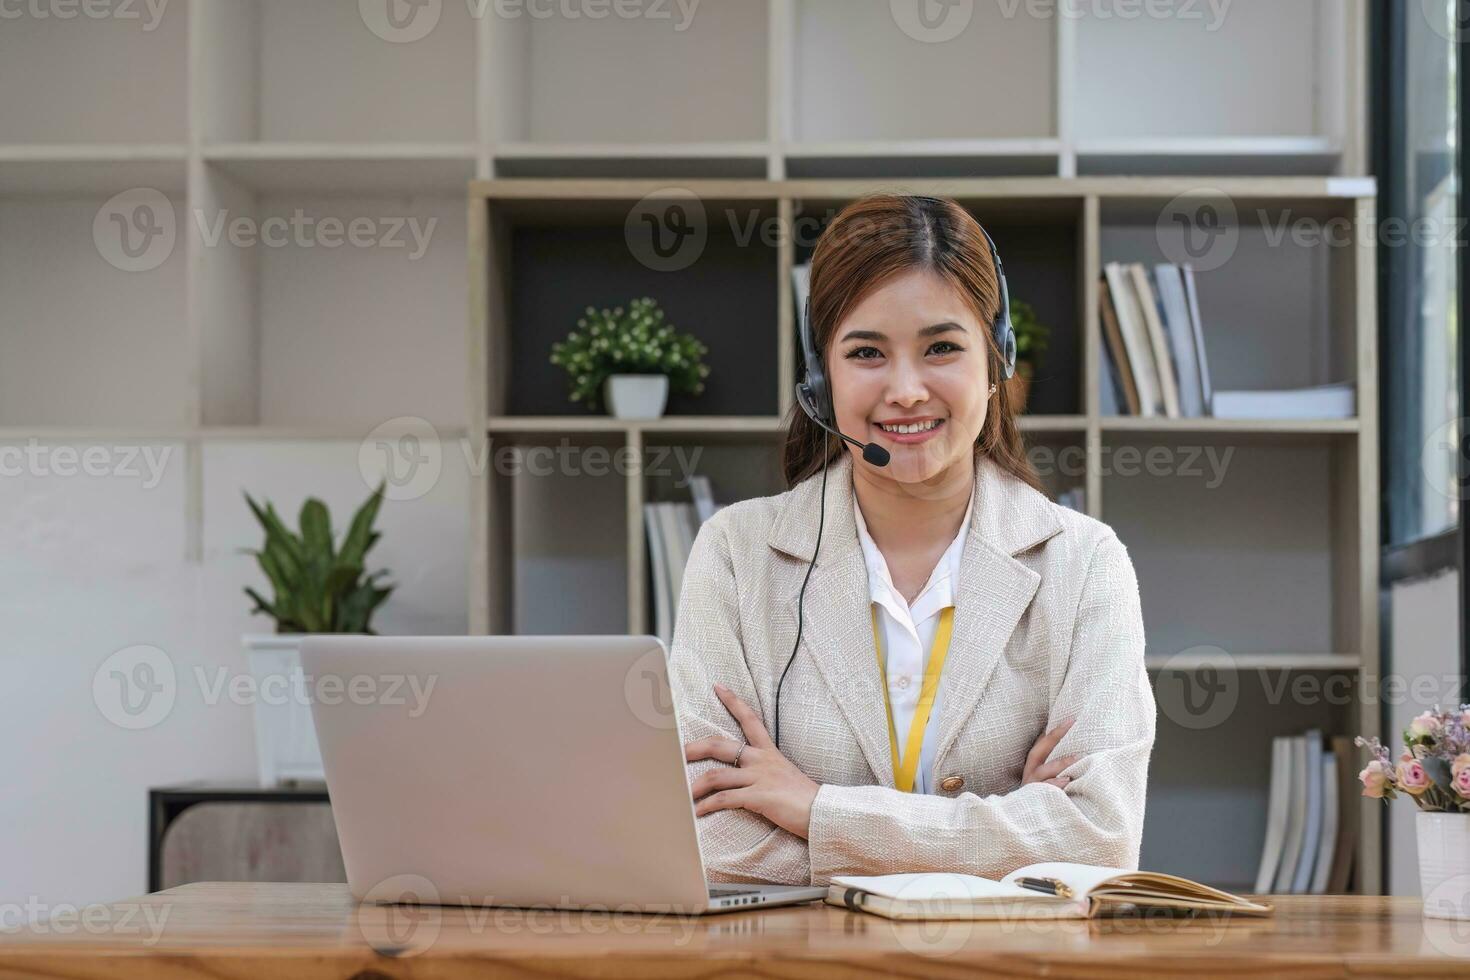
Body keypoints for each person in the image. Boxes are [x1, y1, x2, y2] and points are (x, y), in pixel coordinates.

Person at [667, 194, 1156, 886]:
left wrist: (816, 810)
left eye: (942, 349)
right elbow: (712, 841)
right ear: (819, 377)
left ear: (996, 362)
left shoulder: (1083, 563)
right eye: (867, 352)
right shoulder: (737, 556)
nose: (905, 390)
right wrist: (1014, 828)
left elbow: (1099, 841)